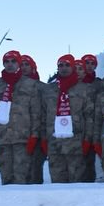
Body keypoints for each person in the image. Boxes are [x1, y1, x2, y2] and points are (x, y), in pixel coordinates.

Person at [0, 50, 41, 185]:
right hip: (2, 139)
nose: (10, 64)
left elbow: (35, 112)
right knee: (6, 178)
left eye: (13, 61)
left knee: (22, 178)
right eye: (6, 62)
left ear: (19, 63)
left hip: (22, 139)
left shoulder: (30, 84)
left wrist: (34, 136)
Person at [42, 54, 94, 183]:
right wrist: (43, 139)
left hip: (76, 143)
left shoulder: (84, 89)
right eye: (61, 65)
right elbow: (42, 115)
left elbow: (89, 116)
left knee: (77, 182)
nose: (64, 68)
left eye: (67, 65)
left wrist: (87, 140)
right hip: (55, 144)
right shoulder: (49, 89)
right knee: (57, 182)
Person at [20, 55, 47, 183]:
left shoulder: (42, 87)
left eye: (27, 65)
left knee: (35, 170)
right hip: (20, 134)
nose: (24, 68)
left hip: (39, 135)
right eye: (21, 65)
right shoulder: (13, 87)